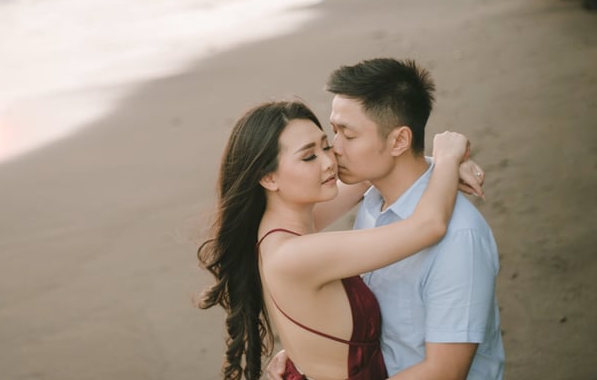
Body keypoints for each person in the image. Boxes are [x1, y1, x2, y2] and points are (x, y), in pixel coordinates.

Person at [197, 99, 481, 380]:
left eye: (325, 146)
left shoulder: (282, 223)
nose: (328, 162)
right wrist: (448, 157)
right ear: (269, 178)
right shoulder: (295, 255)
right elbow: (429, 226)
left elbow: (374, 172)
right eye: (309, 157)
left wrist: (435, 169)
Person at [267, 58, 505, 379]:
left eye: (348, 135)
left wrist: (446, 162)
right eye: (334, 131)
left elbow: (445, 372)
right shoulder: (372, 198)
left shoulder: (460, 238)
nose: (334, 149)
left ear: (398, 141)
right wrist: (312, 354)